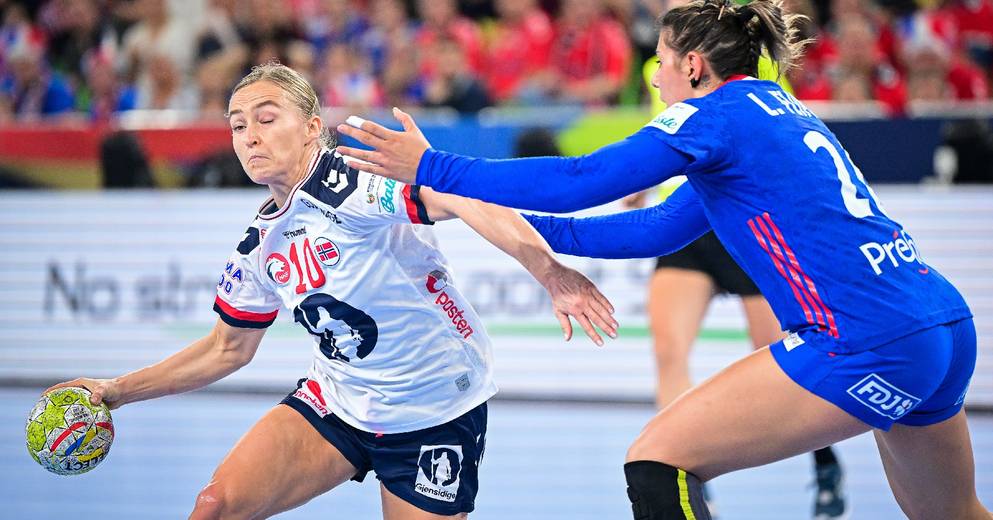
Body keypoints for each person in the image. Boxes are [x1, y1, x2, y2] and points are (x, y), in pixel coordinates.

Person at [335, 1, 990, 519]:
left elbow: (582, 179)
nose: (654, 75)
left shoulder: (712, 118)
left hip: (867, 339)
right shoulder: (776, 114)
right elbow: (650, 229)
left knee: (657, 459)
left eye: (661, 60)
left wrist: (433, 165)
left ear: (695, 66)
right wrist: (490, 217)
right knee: (953, 515)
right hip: (939, 323)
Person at [44, 62, 617, 520]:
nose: (249, 137)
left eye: (267, 119)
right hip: (338, 403)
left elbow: (467, 198)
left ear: (313, 126)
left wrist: (551, 273)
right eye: (238, 125)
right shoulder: (259, 244)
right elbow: (227, 348)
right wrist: (114, 391)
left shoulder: (353, 185)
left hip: (434, 409)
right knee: (213, 508)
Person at [627, 10, 845, 515]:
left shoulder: (751, 68)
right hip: (685, 222)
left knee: (782, 352)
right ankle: (683, 471)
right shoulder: (661, 64)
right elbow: (660, 127)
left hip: (743, 224)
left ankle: (824, 464)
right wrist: (638, 183)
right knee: (668, 349)